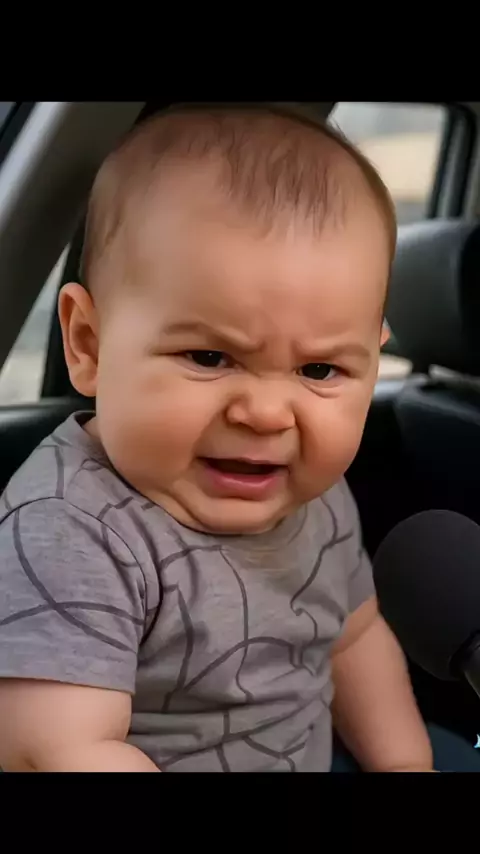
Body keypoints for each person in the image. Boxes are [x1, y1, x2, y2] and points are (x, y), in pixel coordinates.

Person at [0, 104, 475, 772]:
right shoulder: (71, 529)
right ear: (88, 344)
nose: (267, 414)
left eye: (319, 370)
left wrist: (405, 766)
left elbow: (354, 637)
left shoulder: (312, 493)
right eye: (209, 357)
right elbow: (59, 750)